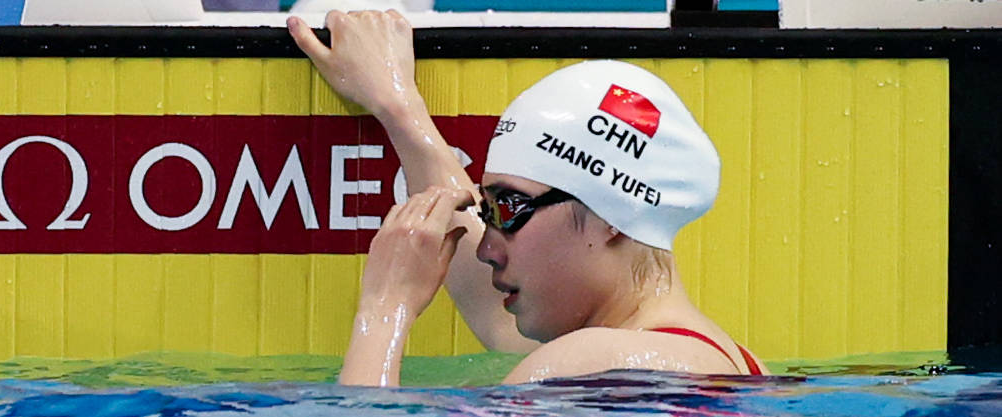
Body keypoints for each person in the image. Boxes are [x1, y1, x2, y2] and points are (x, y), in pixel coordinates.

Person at [287, 11, 769, 386]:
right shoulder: (732, 362)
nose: (485, 247)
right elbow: (501, 326)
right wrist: (398, 106)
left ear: (613, 213)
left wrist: (384, 306)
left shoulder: (591, 363)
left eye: (508, 209)